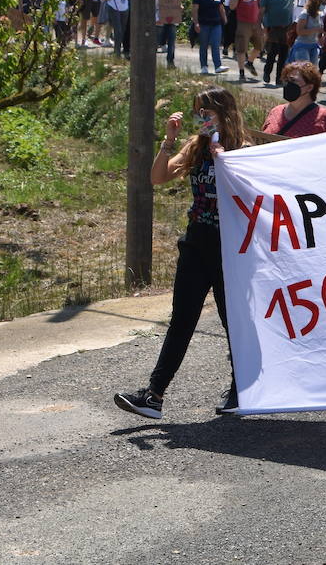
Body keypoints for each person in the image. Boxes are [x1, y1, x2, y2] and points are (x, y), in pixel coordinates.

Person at [113, 87, 248, 419]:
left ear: (225, 114)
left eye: (207, 113)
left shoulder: (242, 150)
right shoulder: (195, 146)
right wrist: (168, 141)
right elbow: (157, 177)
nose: (200, 119)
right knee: (182, 320)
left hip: (229, 248)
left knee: (234, 321)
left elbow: (252, 196)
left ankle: (243, 387)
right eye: (196, 113)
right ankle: (154, 396)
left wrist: (226, 160)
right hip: (196, 242)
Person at [261, 61, 326, 137]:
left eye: (293, 80)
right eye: (286, 80)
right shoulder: (276, 112)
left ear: (309, 87)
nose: (288, 84)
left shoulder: (325, 118)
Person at [228, 0, 264, 82]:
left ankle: (250, 62)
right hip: (243, 21)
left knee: (260, 46)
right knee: (241, 48)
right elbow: (232, 6)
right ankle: (241, 72)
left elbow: (262, 2)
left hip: (256, 21)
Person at [260, 0, 295, 87]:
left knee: (283, 55)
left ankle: (279, 78)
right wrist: (260, 25)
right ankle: (267, 72)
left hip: (286, 29)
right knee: (272, 53)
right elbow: (262, 10)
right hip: (273, 28)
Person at [192, 0, 228, 75]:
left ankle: (218, 66)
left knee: (215, 45)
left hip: (216, 24)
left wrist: (224, 19)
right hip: (203, 24)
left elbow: (221, 8)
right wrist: (196, 23)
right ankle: (204, 66)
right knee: (203, 45)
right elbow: (195, 10)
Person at [289, 0, 326, 64]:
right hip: (302, 46)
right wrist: (316, 30)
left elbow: (319, 32)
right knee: (304, 69)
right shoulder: (305, 14)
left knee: (312, 71)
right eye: (323, 2)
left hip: (314, 46)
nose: (324, 4)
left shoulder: (319, 15)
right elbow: (299, 31)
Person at [155, 0, 181, 68]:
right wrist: (156, 18)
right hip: (160, 20)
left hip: (172, 20)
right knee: (157, 42)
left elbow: (177, 4)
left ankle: (170, 62)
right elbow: (154, 7)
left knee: (171, 42)